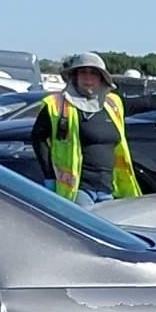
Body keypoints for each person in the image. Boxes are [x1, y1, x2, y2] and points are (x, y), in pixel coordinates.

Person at [28, 53, 140, 204]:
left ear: (102, 78)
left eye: (93, 73)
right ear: (74, 76)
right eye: (83, 72)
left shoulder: (112, 103)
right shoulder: (56, 104)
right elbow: (38, 138)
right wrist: (50, 177)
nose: (88, 78)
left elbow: (148, 102)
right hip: (78, 190)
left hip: (107, 189)